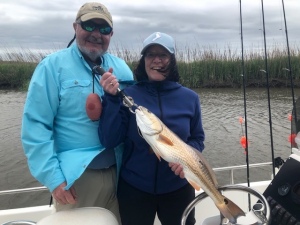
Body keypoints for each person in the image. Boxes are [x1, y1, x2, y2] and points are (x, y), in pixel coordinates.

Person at [21, 2, 133, 223]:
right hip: (76, 180)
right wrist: (54, 179)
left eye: (104, 29)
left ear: (111, 34)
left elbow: (133, 121)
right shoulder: (51, 67)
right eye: (89, 25)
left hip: (119, 176)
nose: (96, 34)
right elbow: (36, 128)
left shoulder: (122, 69)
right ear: (75, 27)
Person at [98, 32, 205, 225]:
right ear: (143, 60)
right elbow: (109, 140)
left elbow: (197, 138)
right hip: (134, 188)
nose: (156, 60)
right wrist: (111, 99)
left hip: (178, 189)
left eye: (163, 55)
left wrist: (187, 162)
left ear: (172, 60)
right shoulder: (128, 96)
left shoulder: (190, 98)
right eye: (150, 55)